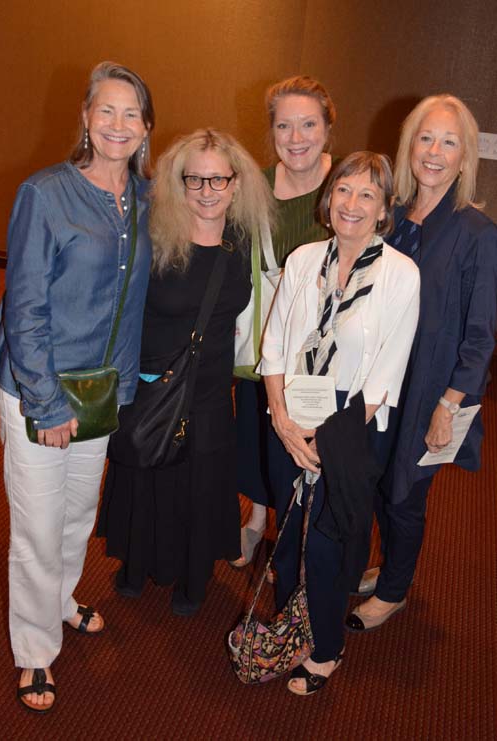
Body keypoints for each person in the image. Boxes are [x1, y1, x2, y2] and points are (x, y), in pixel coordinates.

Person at [0, 61, 154, 711]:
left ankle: (60, 599)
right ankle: (34, 649)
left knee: (77, 515)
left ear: (147, 128)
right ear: (87, 119)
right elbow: (23, 307)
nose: (118, 124)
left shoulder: (148, 200)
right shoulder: (45, 193)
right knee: (36, 525)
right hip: (41, 389)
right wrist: (46, 402)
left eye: (132, 113)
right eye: (106, 110)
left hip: (104, 391)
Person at [260, 151, 420, 695]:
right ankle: (291, 629)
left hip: (350, 429)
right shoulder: (304, 259)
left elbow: (384, 379)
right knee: (285, 540)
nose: (353, 204)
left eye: (368, 195)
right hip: (290, 416)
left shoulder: (402, 275)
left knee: (328, 544)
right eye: (344, 191)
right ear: (329, 200)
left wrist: (323, 443)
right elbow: (275, 343)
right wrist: (282, 420)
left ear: (383, 211)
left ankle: (326, 648)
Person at [98, 129, 275, 616]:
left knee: (201, 482)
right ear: (178, 182)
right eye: (194, 178)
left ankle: (193, 576)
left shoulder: (243, 246)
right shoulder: (154, 239)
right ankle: (137, 564)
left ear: (236, 183)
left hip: (214, 391)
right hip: (156, 385)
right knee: (149, 473)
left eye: (218, 179)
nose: (207, 190)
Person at [346, 96, 497, 633]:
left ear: (464, 158)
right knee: (376, 484)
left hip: (433, 394)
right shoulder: (394, 221)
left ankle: (394, 590)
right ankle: (386, 566)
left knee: (406, 495)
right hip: (381, 385)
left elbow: (481, 337)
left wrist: (449, 406)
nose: (434, 152)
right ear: (410, 145)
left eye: (449, 142)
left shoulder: (477, 233)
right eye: (425, 138)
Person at [232, 76, 336, 567]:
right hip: (263, 338)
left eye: (308, 124)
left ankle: (293, 537)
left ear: (327, 127)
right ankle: (256, 520)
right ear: (271, 131)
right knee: (256, 429)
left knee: (309, 443)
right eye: (284, 126)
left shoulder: (348, 183)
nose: (296, 138)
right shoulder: (253, 184)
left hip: (325, 348)